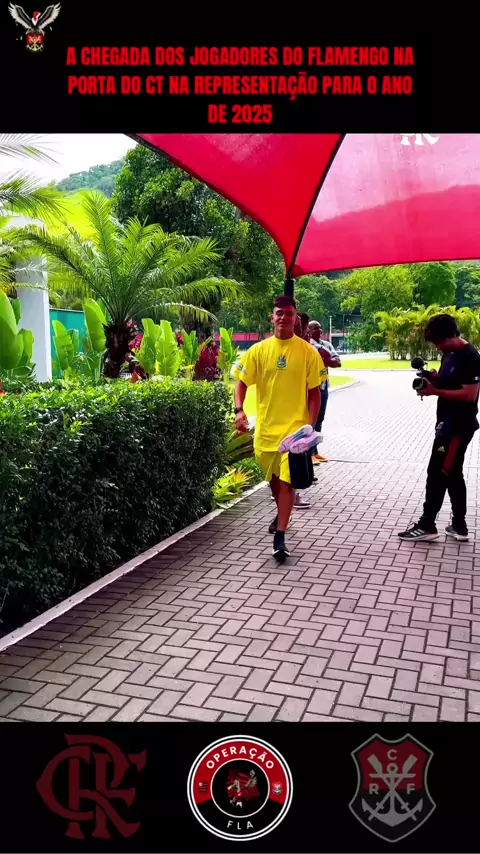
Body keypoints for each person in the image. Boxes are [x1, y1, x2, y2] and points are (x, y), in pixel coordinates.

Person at [233, 295, 327, 562]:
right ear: (272, 318)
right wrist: (239, 410)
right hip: (266, 432)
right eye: (279, 313)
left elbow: (314, 393)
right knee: (274, 482)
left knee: (287, 483)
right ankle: (282, 513)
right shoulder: (258, 351)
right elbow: (241, 383)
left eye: (289, 313)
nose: (284, 317)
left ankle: (280, 537)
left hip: (294, 433)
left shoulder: (308, 352)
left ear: (296, 318)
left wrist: (310, 426)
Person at [398, 313, 480, 542]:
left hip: (458, 427)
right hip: (446, 423)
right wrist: (434, 378)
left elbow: (469, 394)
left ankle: (427, 525)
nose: (438, 347)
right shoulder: (449, 354)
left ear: (450, 336)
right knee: (453, 473)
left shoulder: (470, 356)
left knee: (438, 472)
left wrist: (435, 391)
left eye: (439, 342)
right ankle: (459, 526)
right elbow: (450, 381)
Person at [308, 320, 342, 463]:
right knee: (311, 420)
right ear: (309, 330)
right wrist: (326, 360)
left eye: (320, 328)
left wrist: (323, 360)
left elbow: (337, 362)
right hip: (311, 389)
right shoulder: (307, 346)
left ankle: (315, 451)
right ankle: (308, 453)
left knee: (320, 420)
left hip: (323, 388)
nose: (320, 330)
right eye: (316, 328)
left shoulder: (326, 345)